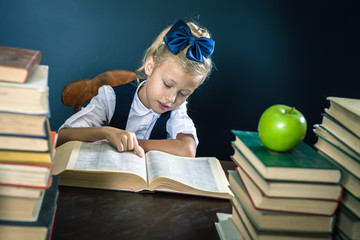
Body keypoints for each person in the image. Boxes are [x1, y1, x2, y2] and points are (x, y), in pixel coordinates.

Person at [56, 19, 215, 158]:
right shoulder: (110, 98)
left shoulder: (176, 110)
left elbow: (188, 149)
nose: (172, 99)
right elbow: (62, 136)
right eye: (167, 85)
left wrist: (134, 144)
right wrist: (105, 132)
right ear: (150, 66)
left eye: (183, 93)